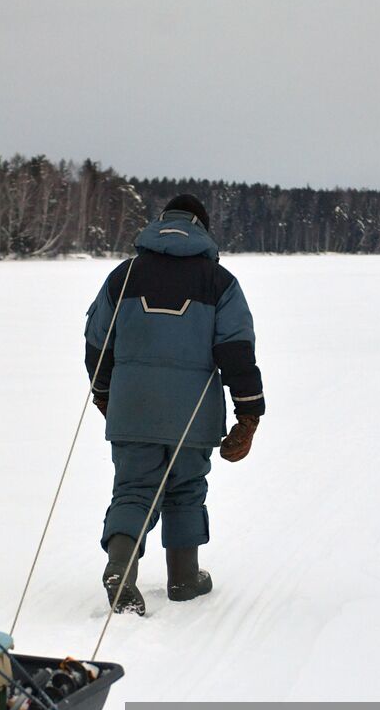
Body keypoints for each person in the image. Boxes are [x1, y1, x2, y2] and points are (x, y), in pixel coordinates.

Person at [84, 194, 264, 614]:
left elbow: (97, 343)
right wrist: (248, 413)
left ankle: (120, 567)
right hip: (193, 412)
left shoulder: (122, 277)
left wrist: (105, 394)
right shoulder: (219, 282)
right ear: (202, 227)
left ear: (161, 222)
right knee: (185, 489)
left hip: (132, 405)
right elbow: (237, 350)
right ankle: (184, 578)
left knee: (133, 490)